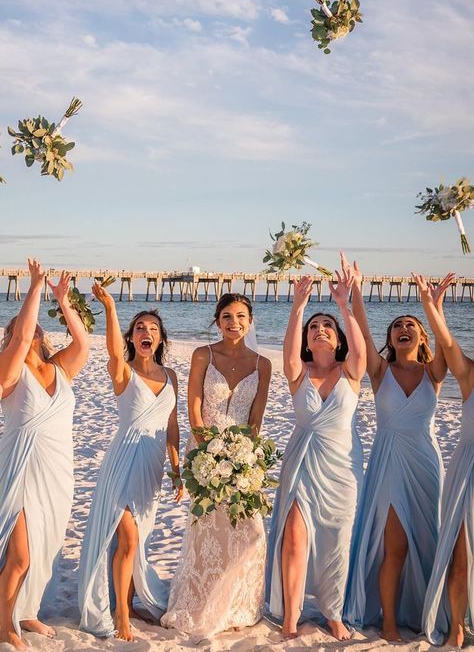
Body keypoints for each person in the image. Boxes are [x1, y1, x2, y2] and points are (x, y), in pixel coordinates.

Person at [344, 260, 452, 640]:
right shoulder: (379, 371)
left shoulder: (434, 372)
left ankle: (428, 611)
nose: (404, 329)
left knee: (430, 543)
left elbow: (447, 342)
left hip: (425, 461)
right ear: (390, 339)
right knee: (396, 545)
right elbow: (360, 329)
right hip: (389, 461)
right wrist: (356, 290)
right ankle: (388, 622)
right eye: (397, 326)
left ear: (421, 337)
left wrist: (432, 306)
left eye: (411, 326)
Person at [161, 293, 272, 638]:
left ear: (250, 321)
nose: (233, 322)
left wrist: (244, 455)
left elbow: (256, 418)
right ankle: (198, 602)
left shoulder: (262, 364)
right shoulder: (202, 355)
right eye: (226, 315)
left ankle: (237, 604)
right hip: (205, 452)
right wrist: (208, 450)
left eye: (240, 316)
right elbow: (194, 405)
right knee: (207, 531)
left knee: (248, 531)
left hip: (243, 455)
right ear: (217, 320)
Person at [266, 262, 366, 641]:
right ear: (306, 340)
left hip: (342, 468)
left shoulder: (352, 372)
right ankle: (291, 618)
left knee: (337, 543)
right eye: (313, 327)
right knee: (294, 536)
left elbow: (360, 351)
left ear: (337, 337)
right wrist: (297, 308)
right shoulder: (299, 372)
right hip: (303, 465)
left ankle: (333, 613)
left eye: (326, 326)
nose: (319, 330)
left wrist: (345, 306)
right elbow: (288, 356)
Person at [78, 283, 182, 641]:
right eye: (140, 328)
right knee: (126, 538)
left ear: (161, 338)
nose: (146, 332)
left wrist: (177, 469)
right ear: (131, 337)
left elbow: (172, 425)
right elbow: (112, 350)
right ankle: (121, 613)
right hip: (123, 460)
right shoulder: (122, 371)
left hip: (152, 465)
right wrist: (109, 307)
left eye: (152, 329)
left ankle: (130, 599)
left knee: (140, 538)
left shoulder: (172, 378)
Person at [0, 261, 89, 650]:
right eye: (18, 327)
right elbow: (20, 341)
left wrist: (63, 301)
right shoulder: (8, 370)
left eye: (33, 325)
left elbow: (84, 343)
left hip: (58, 470)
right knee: (18, 555)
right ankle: (5, 625)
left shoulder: (60, 368)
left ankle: (26, 610)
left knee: (44, 548)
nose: (26, 329)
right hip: (21, 466)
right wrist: (34, 287)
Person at [414, 273, 474, 647]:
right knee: (460, 553)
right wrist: (431, 307)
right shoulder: (470, 375)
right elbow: (448, 346)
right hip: (470, 470)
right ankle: (454, 627)